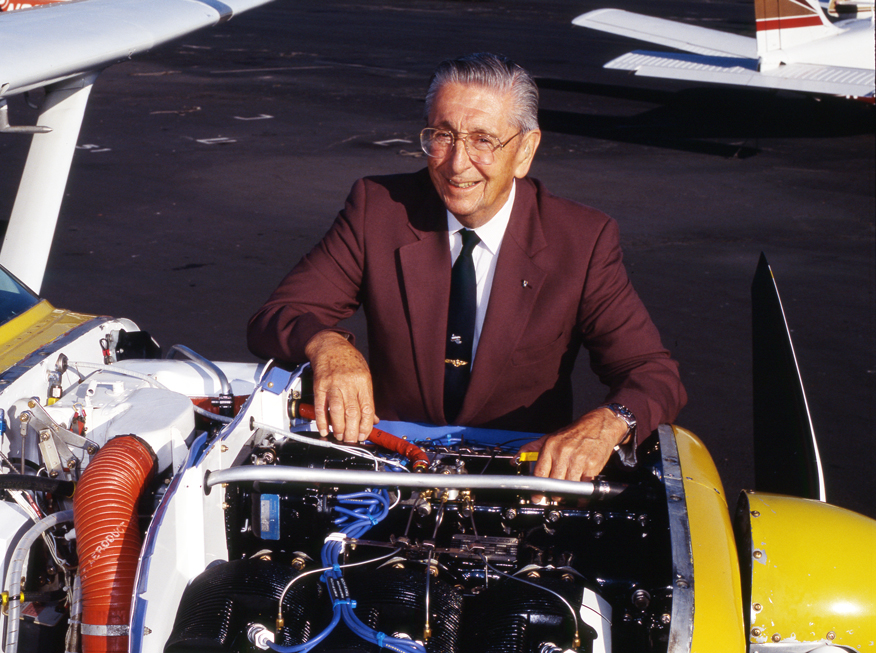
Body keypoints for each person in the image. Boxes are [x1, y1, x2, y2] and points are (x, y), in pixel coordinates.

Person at [247, 53, 685, 483]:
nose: (457, 164)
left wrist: (610, 423)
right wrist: (327, 345)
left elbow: (651, 372)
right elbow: (276, 316)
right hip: (395, 468)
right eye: (443, 135)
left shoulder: (582, 240)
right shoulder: (377, 210)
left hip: (517, 478)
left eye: (483, 140)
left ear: (525, 151)